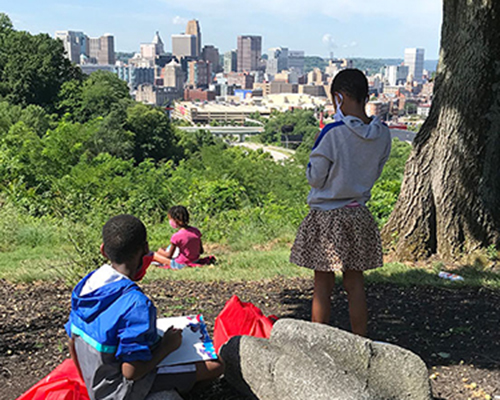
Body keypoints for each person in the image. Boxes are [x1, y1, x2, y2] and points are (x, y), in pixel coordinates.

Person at [66, 214, 223, 399]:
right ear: (146, 249)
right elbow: (131, 372)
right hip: (120, 391)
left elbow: (72, 342)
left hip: (96, 379)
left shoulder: (86, 285)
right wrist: (167, 347)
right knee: (216, 365)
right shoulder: (136, 303)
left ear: (103, 251)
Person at [290, 69, 391, 337]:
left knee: (323, 285)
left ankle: (319, 340)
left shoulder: (331, 133)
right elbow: (375, 170)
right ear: (365, 96)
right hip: (359, 214)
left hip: (327, 216)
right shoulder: (382, 134)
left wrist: (315, 150)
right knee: (355, 284)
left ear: (339, 97)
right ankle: (361, 340)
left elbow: (315, 178)